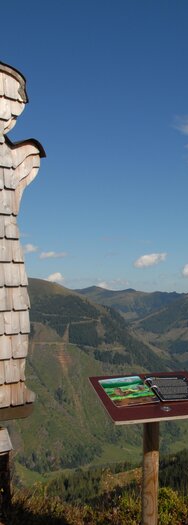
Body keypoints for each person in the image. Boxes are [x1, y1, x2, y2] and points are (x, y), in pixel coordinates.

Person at [0, 62, 45, 420]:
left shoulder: (12, 153)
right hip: (7, 244)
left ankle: (12, 379)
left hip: (8, 243)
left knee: (14, 299)